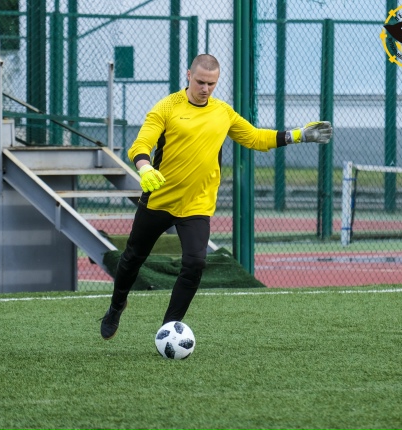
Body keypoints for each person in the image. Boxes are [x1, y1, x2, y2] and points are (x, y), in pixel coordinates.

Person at [100, 54, 332, 339]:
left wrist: (298, 135)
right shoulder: (167, 107)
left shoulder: (223, 112)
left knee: (195, 263)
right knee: (132, 258)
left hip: (197, 205)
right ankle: (116, 306)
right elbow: (141, 143)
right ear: (188, 75)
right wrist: (144, 166)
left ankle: (169, 328)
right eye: (200, 82)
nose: (205, 88)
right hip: (160, 200)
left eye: (211, 83)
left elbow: (255, 138)